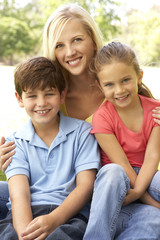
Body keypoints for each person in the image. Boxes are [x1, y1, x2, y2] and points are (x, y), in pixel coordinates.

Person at [0, 3, 160, 239]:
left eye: (77, 40)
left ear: (93, 40)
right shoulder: (52, 95)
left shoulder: (120, 87)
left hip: (108, 185)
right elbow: (35, 149)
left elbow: (148, 136)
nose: (69, 52)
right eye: (59, 45)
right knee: (10, 193)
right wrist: (8, 155)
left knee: (150, 221)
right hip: (62, 189)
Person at [0, 56, 100, 240]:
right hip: (25, 214)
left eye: (49, 94)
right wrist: (25, 233)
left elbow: (85, 186)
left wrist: (55, 219)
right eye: (32, 96)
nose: (41, 103)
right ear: (19, 98)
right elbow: (19, 195)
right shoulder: (15, 142)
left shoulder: (82, 133)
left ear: (62, 95)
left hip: (69, 215)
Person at [83, 41, 160, 240]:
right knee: (113, 171)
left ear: (139, 77)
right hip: (116, 180)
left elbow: (152, 156)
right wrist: (146, 199)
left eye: (125, 80)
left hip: (146, 174)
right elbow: (122, 163)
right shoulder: (103, 117)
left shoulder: (155, 110)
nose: (119, 90)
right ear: (100, 86)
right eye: (109, 84)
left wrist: (140, 193)